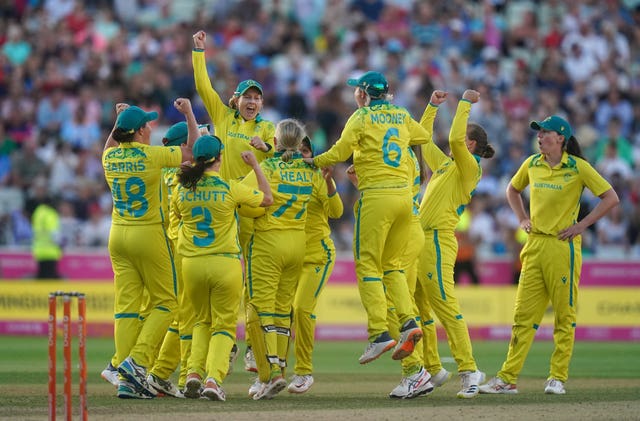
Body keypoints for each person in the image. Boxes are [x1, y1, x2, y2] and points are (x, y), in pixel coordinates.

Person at [479, 115, 619, 395]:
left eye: (545, 133)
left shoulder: (578, 167)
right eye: (539, 132)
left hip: (562, 247)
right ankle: (507, 378)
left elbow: (611, 197)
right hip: (534, 246)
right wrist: (521, 218)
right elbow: (512, 189)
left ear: (561, 139)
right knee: (522, 316)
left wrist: (581, 225)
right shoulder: (532, 163)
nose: (540, 137)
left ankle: (557, 377)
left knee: (564, 316)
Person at [305, 71, 432, 366]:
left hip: (377, 196)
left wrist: (313, 161)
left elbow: (339, 152)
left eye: (356, 91)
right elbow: (423, 136)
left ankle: (378, 334)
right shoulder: (400, 114)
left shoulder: (360, 118)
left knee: (367, 265)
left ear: (363, 94)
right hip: (405, 199)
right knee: (393, 267)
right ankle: (409, 322)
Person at [192, 30, 276, 371]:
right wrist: (199, 52)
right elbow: (203, 87)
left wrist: (266, 148)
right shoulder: (224, 118)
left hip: (254, 209)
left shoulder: (267, 127)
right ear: (236, 100)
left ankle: (253, 346)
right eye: (247, 97)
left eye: (257, 98)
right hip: (224, 208)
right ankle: (222, 339)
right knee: (225, 279)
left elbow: (279, 154)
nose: (252, 102)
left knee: (252, 282)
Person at [102, 100, 194, 399]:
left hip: (117, 235)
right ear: (140, 131)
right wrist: (190, 115)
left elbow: (108, 147)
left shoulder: (110, 158)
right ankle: (137, 361)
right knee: (167, 302)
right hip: (148, 232)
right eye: (148, 125)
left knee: (127, 308)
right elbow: (191, 151)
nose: (151, 129)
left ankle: (124, 376)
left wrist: (118, 124)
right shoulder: (152, 156)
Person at [175, 134, 273, 401]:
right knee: (223, 327)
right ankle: (213, 379)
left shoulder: (181, 188)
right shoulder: (230, 188)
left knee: (201, 322)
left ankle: (193, 373)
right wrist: (255, 166)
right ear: (219, 158)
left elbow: (176, 215)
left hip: (192, 265)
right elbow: (267, 199)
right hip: (225, 264)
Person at [415, 89, 494, 399]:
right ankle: (433, 369)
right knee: (419, 306)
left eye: (462, 140)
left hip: (437, 240)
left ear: (471, 144)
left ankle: (469, 369)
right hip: (420, 239)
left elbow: (456, 140)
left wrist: (464, 104)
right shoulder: (447, 165)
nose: (453, 143)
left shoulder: (469, 168)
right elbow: (422, 140)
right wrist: (432, 106)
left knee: (445, 306)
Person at [243, 119, 323, 400]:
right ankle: (278, 367)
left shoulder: (266, 168)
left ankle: (270, 375)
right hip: (297, 245)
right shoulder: (311, 172)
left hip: (269, 243)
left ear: (274, 143)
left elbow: (241, 198)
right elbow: (327, 202)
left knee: (258, 310)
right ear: (301, 144)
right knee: (280, 312)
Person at [146, 120, 211, 398]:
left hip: (169, 245)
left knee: (180, 313)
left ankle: (159, 373)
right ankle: (181, 375)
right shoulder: (184, 171)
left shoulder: (165, 167)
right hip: (180, 248)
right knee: (188, 315)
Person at [288, 137, 343, 394]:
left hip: (317, 255)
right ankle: (272, 374)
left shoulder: (318, 178)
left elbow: (336, 211)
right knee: (280, 314)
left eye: (305, 150)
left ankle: (303, 372)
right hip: (289, 257)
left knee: (301, 309)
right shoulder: (282, 178)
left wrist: (329, 181)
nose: (301, 155)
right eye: (296, 151)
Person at [31, 195, 62, 279]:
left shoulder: (38, 212)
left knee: (41, 277)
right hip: (50, 250)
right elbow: (54, 232)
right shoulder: (50, 213)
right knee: (50, 279)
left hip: (39, 250)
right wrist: (60, 244)